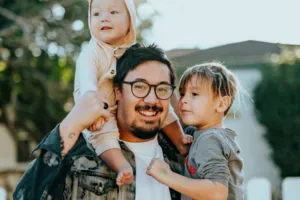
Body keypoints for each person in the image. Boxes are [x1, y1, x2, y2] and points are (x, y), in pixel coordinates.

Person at [13, 44, 188, 200]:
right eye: (140, 87)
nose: (152, 99)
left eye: (162, 89)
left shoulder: (186, 154)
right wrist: (72, 123)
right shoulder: (81, 155)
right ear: (117, 91)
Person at [74, 0, 189, 185]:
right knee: (104, 136)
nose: (104, 18)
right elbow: (87, 85)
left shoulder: (136, 52)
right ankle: (122, 166)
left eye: (113, 12)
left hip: (124, 106)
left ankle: (181, 141)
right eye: (96, 14)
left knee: (162, 108)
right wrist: (94, 112)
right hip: (99, 112)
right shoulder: (91, 53)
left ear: (130, 19)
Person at [147, 62, 245, 200]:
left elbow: (218, 193)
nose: (184, 100)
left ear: (222, 103)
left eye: (194, 94)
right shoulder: (208, 136)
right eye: (182, 93)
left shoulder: (210, 140)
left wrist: (165, 175)